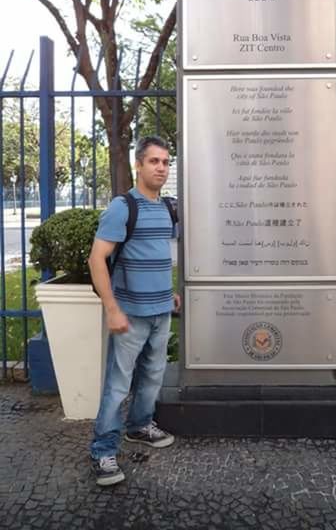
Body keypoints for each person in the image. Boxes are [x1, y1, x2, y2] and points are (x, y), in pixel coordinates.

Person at [88, 135, 180, 486]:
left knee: (153, 375)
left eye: (166, 162)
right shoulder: (124, 207)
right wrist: (111, 308)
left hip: (160, 311)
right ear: (138, 165)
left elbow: (154, 254)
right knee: (117, 384)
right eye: (154, 161)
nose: (161, 168)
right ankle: (102, 450)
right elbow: (96, 259)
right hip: (129, 313)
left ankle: (140, 426)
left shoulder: (167, 207)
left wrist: (169, 292)